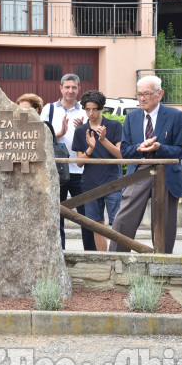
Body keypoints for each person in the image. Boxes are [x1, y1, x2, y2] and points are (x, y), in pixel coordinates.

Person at [108, 75, 182, 254]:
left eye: (147, 94)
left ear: (159, 94)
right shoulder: (132, 117)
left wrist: (160, 148)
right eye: (139, 94)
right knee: (123, 219)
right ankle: (116, 260)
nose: (142, 98)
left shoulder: (175, 116)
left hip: (165, 172)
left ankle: (163, 267)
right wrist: (140, 147)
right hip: (140, 170)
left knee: (164, 224)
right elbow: (125, 151)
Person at [40, 73, 93, 250]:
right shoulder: (49, 109)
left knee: (86, 216)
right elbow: (40, 138)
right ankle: (59, 254)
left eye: (74, 87)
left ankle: (91, 254)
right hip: (57, 171)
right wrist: (60, 133)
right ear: (60, 88)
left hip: (81, 170)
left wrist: (82, 130)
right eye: (67, 87)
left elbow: (94, 141)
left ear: (79, 89)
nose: (70, 91)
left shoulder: (86, 111)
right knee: (56, 215)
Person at [71, 91, 123, 251]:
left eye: (94, 109)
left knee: (118, 223)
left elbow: (121, 155)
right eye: (87, 109)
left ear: (102, 109)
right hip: (90, 183)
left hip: (113, 182)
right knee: (95, 224)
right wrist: (91, 148)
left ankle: (117, 258)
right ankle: (104, 259)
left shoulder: (114, 125)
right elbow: (79, 163)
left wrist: (103, 140)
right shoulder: (81, 131)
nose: (91, 113)